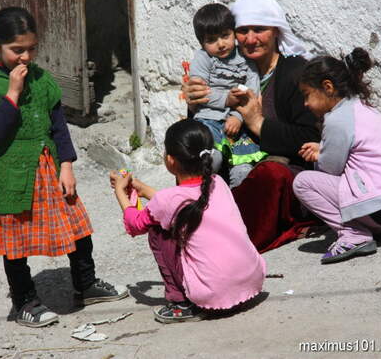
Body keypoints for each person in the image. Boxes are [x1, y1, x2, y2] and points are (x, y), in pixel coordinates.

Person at [0, 7, 128, 328]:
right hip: (13, 172)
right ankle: (25, 301)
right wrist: (12, 93)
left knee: (78, 227)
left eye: (32, 49)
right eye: (17, 50)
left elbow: (59, 126)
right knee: (16, 241)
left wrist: (66, 165)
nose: (26, 57)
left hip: (51, 166)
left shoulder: (43, 80)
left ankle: (86, 284)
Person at [182, 0, 320, 253]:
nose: (251, 38)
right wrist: (194, 103)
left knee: (269, 174)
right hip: (228, 164)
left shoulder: (295, 73)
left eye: (260, 29)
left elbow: (309, 137)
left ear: (276, 31)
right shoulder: (223, 66)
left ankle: (232, 240)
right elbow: (208, 121)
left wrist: (257, 123)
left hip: (281, 174)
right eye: (243, 30)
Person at [110, 119, 265, 324]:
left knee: (157, 231)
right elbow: (178, 205)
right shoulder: (218, 183)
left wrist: (120, 191)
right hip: (251, 281)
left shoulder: (168, 201)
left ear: (171, 160)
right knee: (167, 220)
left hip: (213, 296)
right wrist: (142, 188)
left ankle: (181, 302)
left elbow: (135, 224)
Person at [293, 48, 381, 264]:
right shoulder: (361, 107)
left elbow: (330, 169)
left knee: (302, 183)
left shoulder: (337, 120)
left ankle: (354, 235)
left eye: (307, 95)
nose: (305, 104)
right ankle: (366, 226)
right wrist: (323, 148)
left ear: (327, 87)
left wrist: (317, 156)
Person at [188, 3, 266, 188]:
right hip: (207, 119)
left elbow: (252, 92)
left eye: (225, 36)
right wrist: (226, 99)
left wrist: (238, 117)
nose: (221, 44)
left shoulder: (246, 59)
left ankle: (236, 204)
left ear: (233, 33)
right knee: (210, 160)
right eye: (212, 40)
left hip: (238, 125)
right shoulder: (203, 58)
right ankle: (203, 197)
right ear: (202, 43)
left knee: (243, 169)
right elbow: (200, 93)